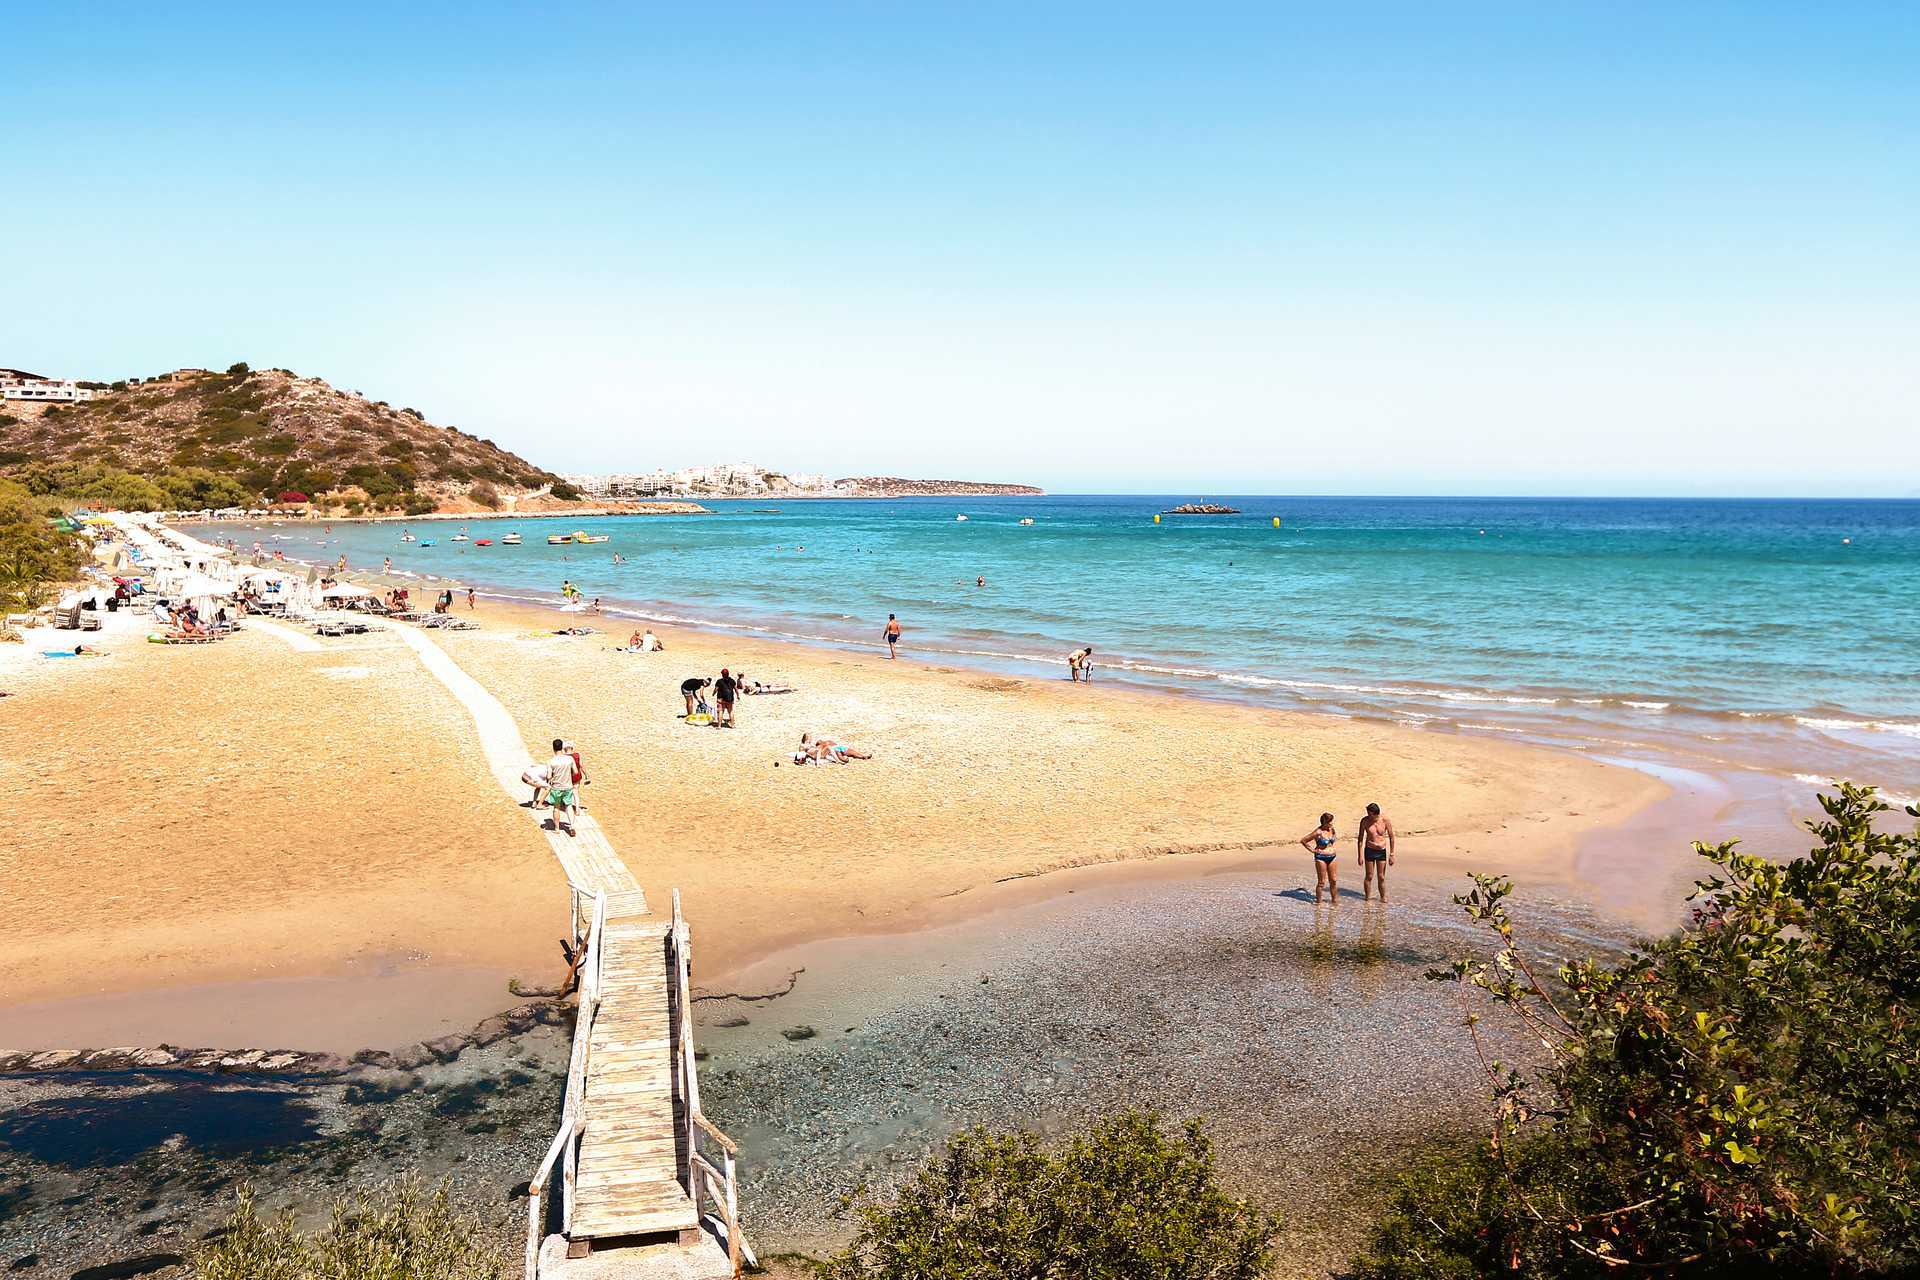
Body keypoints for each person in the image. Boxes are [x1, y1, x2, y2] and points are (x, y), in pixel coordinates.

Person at [1357, 802, 1395, 902]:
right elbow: (1360, 839)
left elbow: (1391, 837)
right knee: (1369, 876)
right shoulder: (1365, 821)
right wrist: (1360, 855)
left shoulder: (1385, 820)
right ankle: (1367, 897)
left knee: (1381, 876)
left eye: (1369, 813)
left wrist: (1392, 854)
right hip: (1369, 850)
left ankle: (1383, 897)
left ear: (1375, 813)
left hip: (1381, 851)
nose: (1368, 815)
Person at [1300, 812, 1339, 902]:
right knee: (1321, 882)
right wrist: (1312, 850)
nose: (1332, 824)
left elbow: (1332, 841)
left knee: (1333, 880)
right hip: (1321, 857)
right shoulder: (1318, 832)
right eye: (1330, 822)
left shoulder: (1332, 829)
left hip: (1332, 856)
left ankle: (1334, 901)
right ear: (1325, 822)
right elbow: (1303, 841)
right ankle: (1319, 903)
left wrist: (1331, 848)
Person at [544, 738, 579, 836]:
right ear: (562, 747)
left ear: (553, 748)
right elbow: (576, 772)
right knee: (568, 806)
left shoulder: (551, 761)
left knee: (556, 808)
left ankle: (557, 829)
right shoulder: (569, 759)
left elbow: (549, 776)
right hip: (568, 786)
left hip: (556, 788)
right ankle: (572, 826)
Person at [796, 732, 873, 764]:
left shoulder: (822, 744)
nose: (810, 740)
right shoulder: (816, 746)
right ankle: (860, 756)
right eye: (809, 739)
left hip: (836, 748)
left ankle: (861, 755)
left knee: (848, 751)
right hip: (833, 750)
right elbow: (802, 752)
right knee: (846, 751)